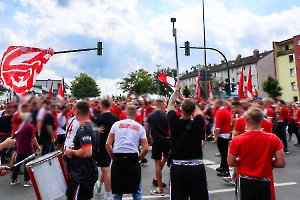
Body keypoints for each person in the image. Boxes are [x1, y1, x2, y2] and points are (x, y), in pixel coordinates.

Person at [227, 107, 286, 200]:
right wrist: (267, 162)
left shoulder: (237, 140)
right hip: (264, 180)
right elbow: (281, 163)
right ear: (262, 120)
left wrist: (242, 162)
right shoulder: (273, 138)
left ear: (246, 120)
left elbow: (230, 162)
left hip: (245, 181)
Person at [167, 82, 209, 200]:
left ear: (180, 108)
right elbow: (197, 111)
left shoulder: (174, 123)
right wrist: (186, 99)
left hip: (178, 167)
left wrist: (176, 91)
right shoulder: (198, 123)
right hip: (196, 167)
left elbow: (170, 104)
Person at [106, 105, 148, 200]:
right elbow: (145, 148)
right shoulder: (140, 127)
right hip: (132, 157)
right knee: (137, 191)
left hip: (118, 157)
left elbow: (108, 144)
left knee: (117, 192)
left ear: (125, 113)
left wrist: (113, 157)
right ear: (137, 114)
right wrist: (138, 159)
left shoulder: (116, 125)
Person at [64, 100, 100, 200]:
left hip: (82, 174)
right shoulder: (93, 126)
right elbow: (95, 150)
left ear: (77, 112)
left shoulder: (84, 129)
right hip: (89, 171)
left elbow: (87, 152)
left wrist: (71, 152)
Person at [94, 99, 119, 200]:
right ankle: (99, 184)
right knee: (105, 169)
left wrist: (96, 130)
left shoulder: (99, 119)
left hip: (102, 147)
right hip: (113, 146)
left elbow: (91, 131)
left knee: (106, 170)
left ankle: (108, 196)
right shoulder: (115, 118)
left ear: (102, 106)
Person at [11, 107, 41, 187]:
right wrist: (38, 146)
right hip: (28, 149)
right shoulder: (30, 126)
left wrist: (17, 146)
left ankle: (13, 179)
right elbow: (33, 138)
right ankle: (27, 181)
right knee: (28, 165)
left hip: (19, 148)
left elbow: (15, 137)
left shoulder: (19, 126)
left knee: (17, 164)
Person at [145, 99, 170, 194]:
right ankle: (174, 184)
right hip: (166, 140)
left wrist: (149, 140)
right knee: (171, 163)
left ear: (156, 105)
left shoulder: (150, 116)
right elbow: (170, 128)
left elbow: (147, 130)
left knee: (157, 165)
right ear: (162, 105)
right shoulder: (166, 115)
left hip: (156, 142)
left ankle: (160, 188)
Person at [214, 99, 232, 177]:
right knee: (223, 152)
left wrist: (215, 136)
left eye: (215, 104)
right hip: (226, 133)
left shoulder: (220, 112)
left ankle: (226, 170)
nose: (214, 106)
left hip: (222, 134)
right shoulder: (226, 111)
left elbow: (218, 126)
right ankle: (222, 166)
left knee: (223, 153)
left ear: (218, 104)